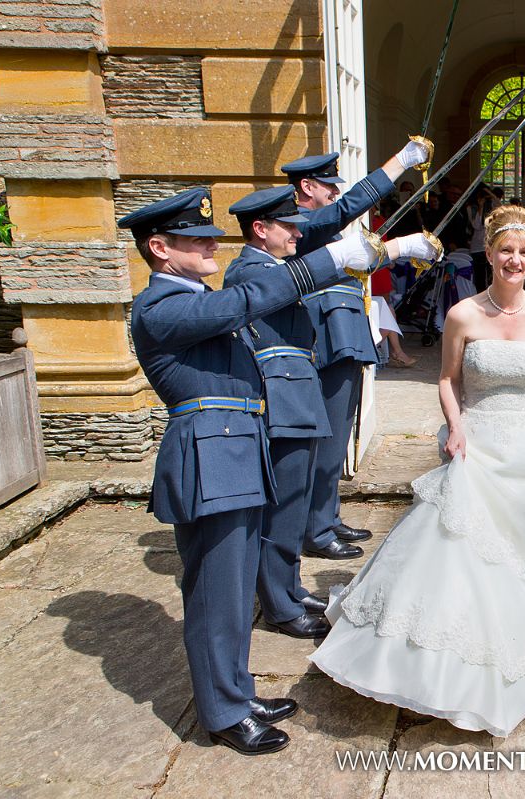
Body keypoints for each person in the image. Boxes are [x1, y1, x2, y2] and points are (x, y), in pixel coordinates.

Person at [122, 187, 412, 755]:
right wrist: (334, 257)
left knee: (233, 592)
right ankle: (224, 713)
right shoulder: (159, 306)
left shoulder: (194, 298)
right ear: (158, 248)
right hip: (211, 462)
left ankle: (235, 692)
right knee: (216, 595)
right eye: (195, 239)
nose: (211, 245)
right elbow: (247, 301)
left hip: (233, 456)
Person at [310, 205, 525, 737]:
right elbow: (447, 379)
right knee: (461, 549)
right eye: (506, 250)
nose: (514, 260)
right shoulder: (463, 314)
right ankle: (437, 666)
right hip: (477, 444)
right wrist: (456, 425)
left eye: (524, 252)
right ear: (489, 253)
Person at [282, 139, 432, 561]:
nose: (335, 192)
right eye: (328, 185)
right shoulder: (302, 224)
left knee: (338, 436)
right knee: (326, 438)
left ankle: (326, 517)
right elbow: (347, 209)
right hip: (326, 341)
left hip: (345, 337)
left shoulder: (321, 227)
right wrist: (399, 163)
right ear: (307, 187)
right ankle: (315, 529)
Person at [222, 186, 333, 639]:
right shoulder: (248, 271)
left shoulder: (271, 266)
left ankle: (289, 586)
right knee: (282, 507)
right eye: (288, 227)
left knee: (295, 503)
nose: (297, 234)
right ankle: (279, 606)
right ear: (260, 229)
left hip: (297, 395)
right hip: (280, 398)